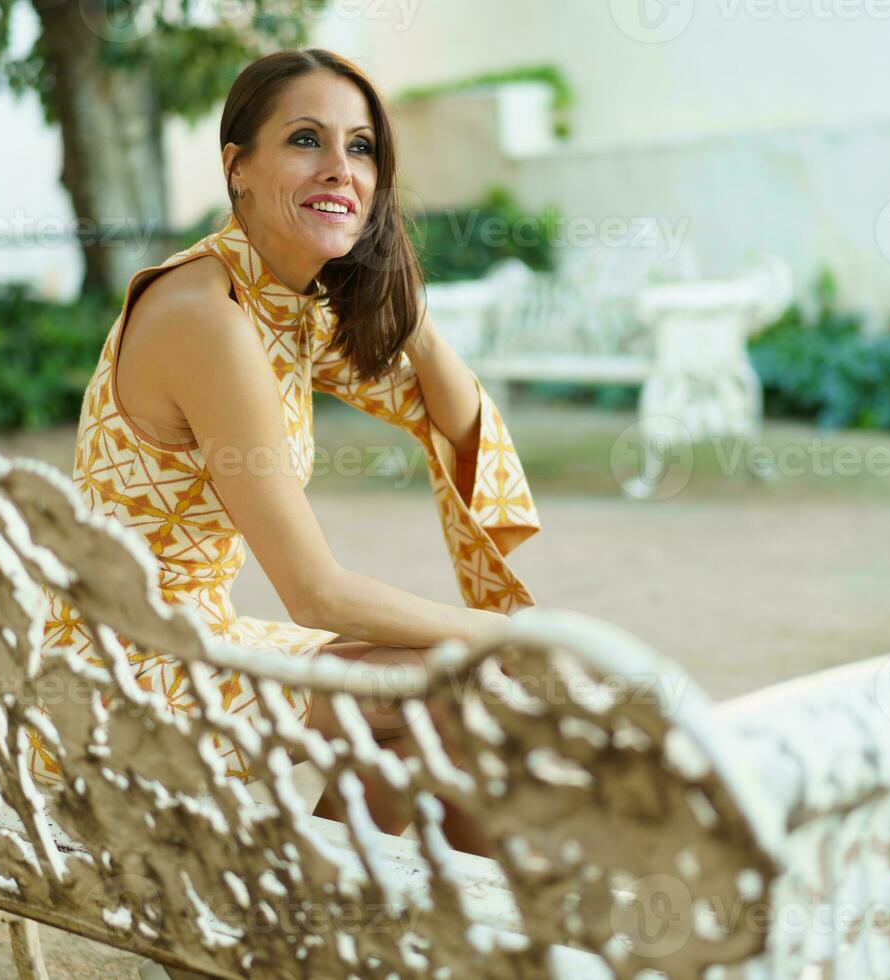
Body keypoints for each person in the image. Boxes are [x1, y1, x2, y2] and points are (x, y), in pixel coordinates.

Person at [30, 48, 541, 857]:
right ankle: (347, 932)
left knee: (463, 698)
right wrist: (504, 637)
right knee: (460, 694)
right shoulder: (210, 318)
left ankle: (362, 927)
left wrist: (410, 310)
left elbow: (449, 412)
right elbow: (315, 594)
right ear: (238, 168)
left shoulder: (280, 306)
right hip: (116, 668)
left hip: (191, 638)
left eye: (362, 148)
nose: (341, 168)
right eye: (307, 140)